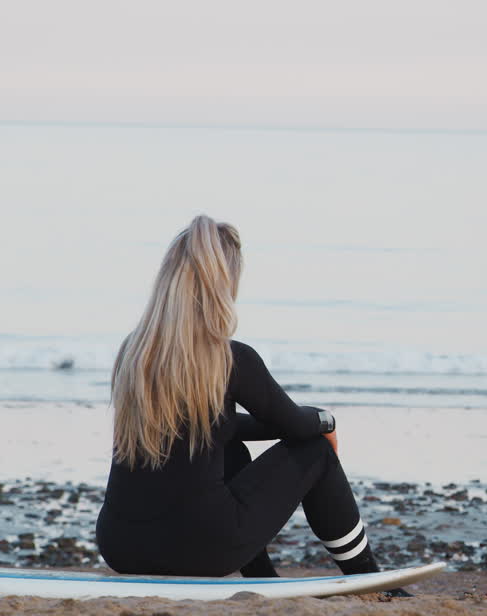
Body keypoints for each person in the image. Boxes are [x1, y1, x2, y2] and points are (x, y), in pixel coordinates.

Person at [95, 215, 402, 591]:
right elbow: (297, 427)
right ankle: (369, 580)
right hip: (201, 551)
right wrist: (326, 420)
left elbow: (213, 428)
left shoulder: (133, 354)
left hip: (121, 548)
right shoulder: (230, 359)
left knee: (230, 448)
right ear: (224, 284)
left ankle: (263, 579)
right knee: (316, 453)